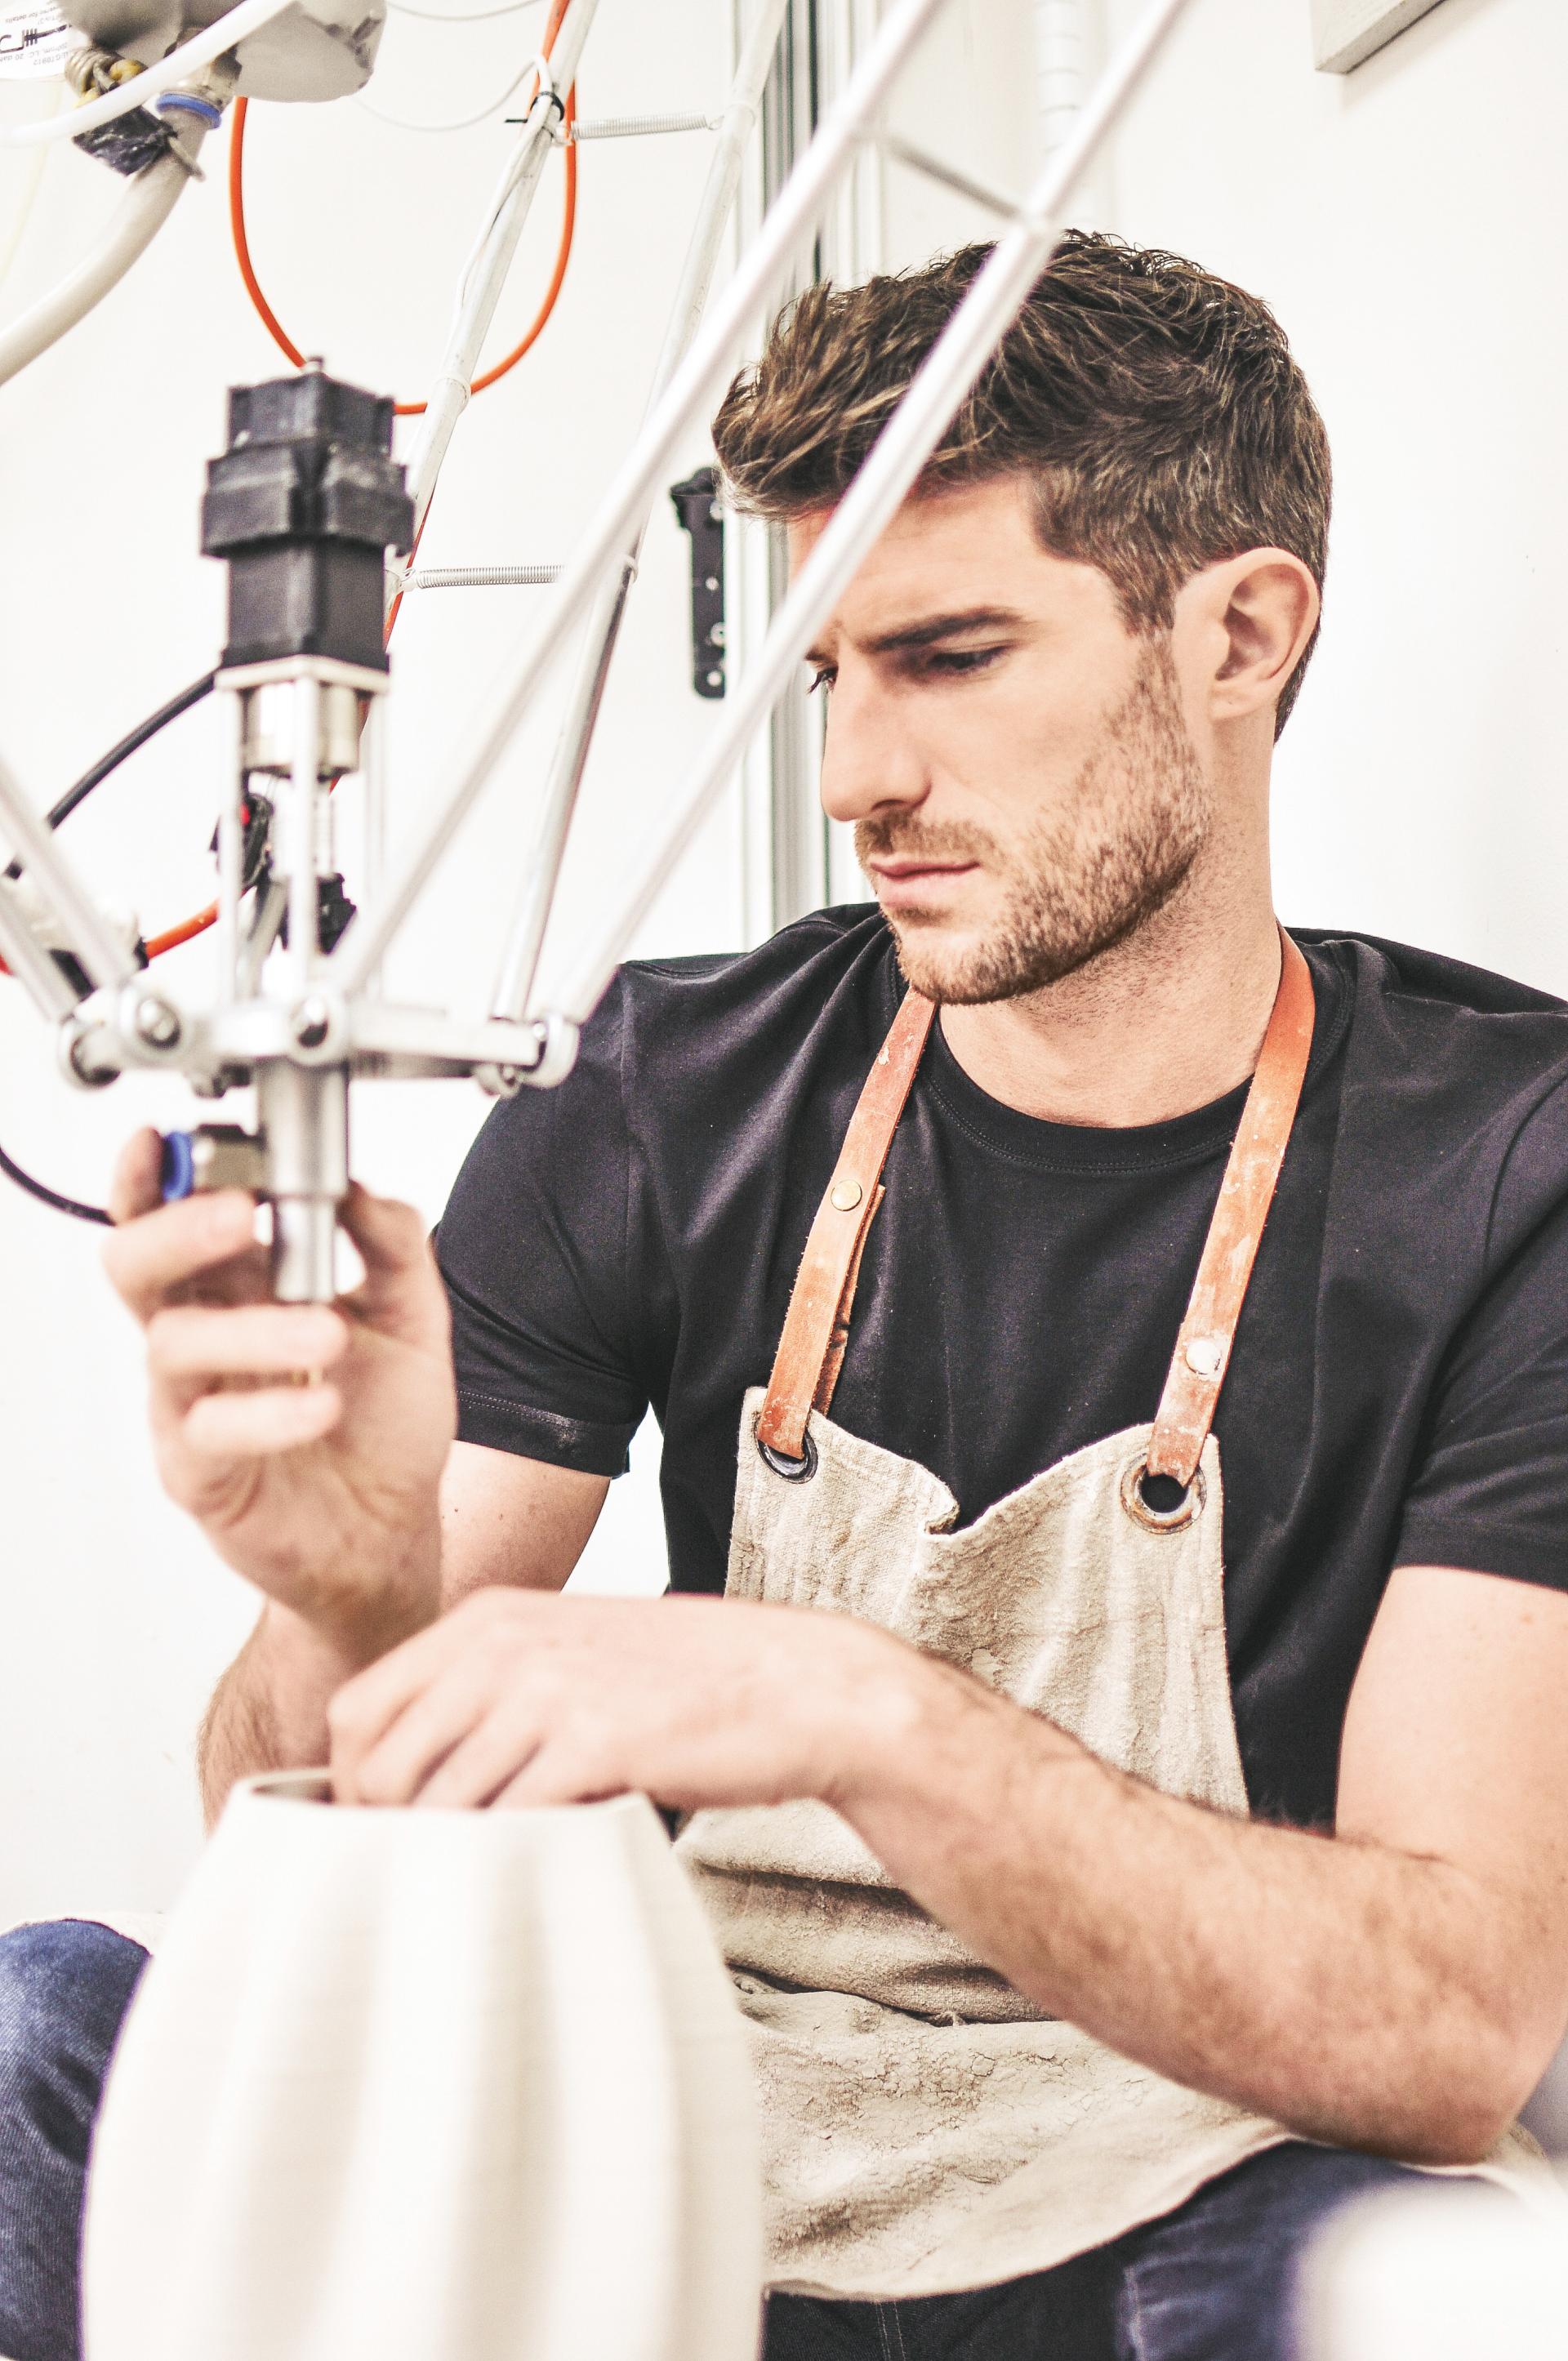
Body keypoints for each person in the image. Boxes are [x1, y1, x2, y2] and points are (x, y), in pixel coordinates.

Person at [7, 230, 1568, 2361]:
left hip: (1172, 2182)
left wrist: (851, 1705)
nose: (852, 783)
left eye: (947, 656)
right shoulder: (665, 1085)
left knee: (1450, 2290)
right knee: (38, 2034)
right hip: (666, 2096)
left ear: (1241, 633)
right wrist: (357, 1596)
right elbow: (324, 1834)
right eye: (833, 674)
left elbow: (1450, 2025)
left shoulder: (1505, 1172)